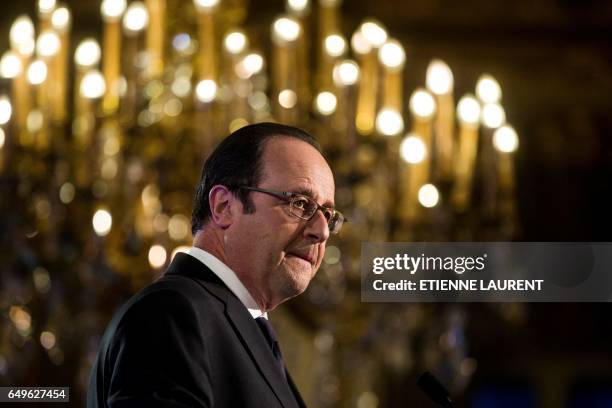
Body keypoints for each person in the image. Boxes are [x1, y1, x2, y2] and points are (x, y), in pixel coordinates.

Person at [87, 122, 346, 407]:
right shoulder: (172, 313)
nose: (321, 231)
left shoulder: (237, 323)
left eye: (329, 215)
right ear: (224, 207)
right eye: (300, 203)